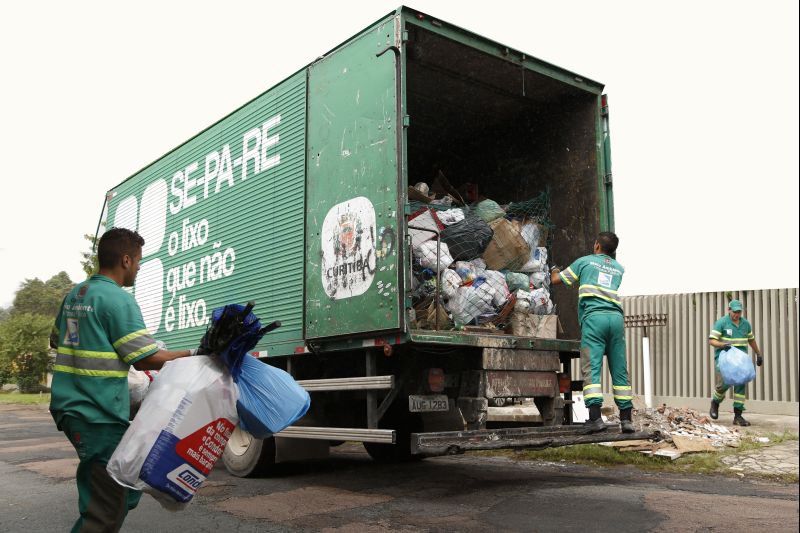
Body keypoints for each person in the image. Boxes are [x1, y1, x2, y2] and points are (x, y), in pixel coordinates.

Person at [50, 227, 196, 533]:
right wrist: (194, 353)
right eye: (139, 260)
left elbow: (57, 340)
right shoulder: (117, 299)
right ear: (126, 260)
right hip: (96, 413)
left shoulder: (75, 294)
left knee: (122, 485)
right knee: (105, 509)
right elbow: (145, 358)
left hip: (72, 407)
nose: (140, 267)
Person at [550, 231, 634, 433]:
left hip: (594, 319)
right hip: (615, 320)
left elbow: (556, 280)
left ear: (596, 246)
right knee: (619, 369)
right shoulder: (619, 269)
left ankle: (595, 419)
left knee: (592, 368)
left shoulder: (584, 262)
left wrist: (554, 269)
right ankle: (626, 420)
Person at [707, 299, 763, 426]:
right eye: (734, 312)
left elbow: (751, 340)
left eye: (739, 312)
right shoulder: (722, 322)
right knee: (725, 383)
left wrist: (758, 354)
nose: (736, 314)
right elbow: (711, 340)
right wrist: (722, 345)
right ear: (729, 310)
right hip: (724, 359)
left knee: (740, 385)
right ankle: (715, 402)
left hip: (740, 361)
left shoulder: (746, 324)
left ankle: (738, 416)